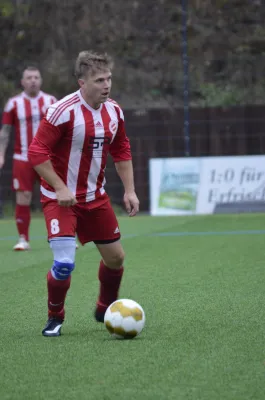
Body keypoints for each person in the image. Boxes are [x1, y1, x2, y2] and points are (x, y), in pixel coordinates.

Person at [28, 51, 140, 337]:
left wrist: (130, 190)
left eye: (109, 79)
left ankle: (105, 307)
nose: (106, 85)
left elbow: (121, 149)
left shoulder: (114, 111)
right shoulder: (62, 110)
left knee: (116, 259)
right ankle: (55, 317)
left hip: (95, 197)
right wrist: (60, 186)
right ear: (82, 82)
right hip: (59, 199)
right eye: (99, 80)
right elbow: (37, 152)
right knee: (65, 264)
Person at [0, 66, 57, 250]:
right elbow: (5, 132)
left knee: (55, 195)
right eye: (29, 77)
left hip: (47, 157)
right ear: (23, 81)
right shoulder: (13, 104)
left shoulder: (51, 101)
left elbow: (61, 130)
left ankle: (59, 236)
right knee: (23, 197)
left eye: (36, 77)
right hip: (22, 158)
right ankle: (23, 239)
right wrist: (1, 154)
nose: (33, 80)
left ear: (41, 80)